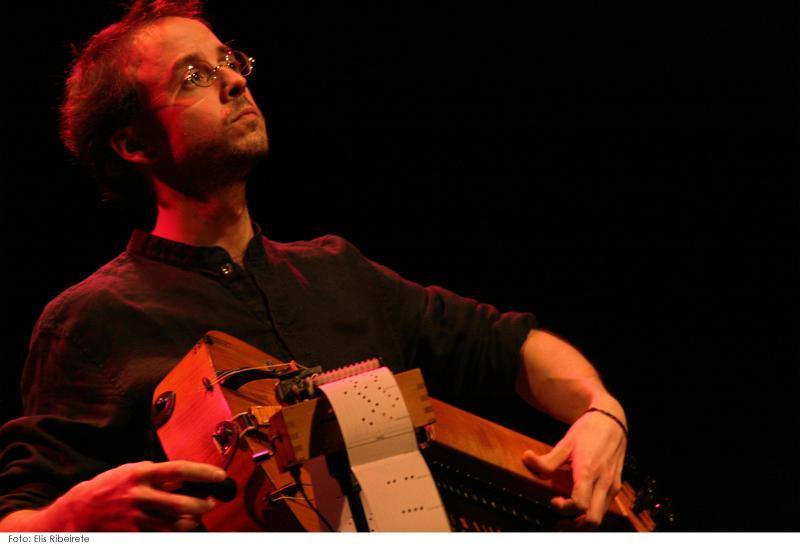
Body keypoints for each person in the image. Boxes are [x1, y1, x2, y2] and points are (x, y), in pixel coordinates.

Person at [0, 0, 628, 532]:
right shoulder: (93, 317)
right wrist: (67, 520)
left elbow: (512, 345)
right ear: (133, 145)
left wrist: (602, 410)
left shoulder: (338, 272)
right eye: (192, 76)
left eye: (228, 61)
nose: (235, 80)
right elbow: (17, 530)